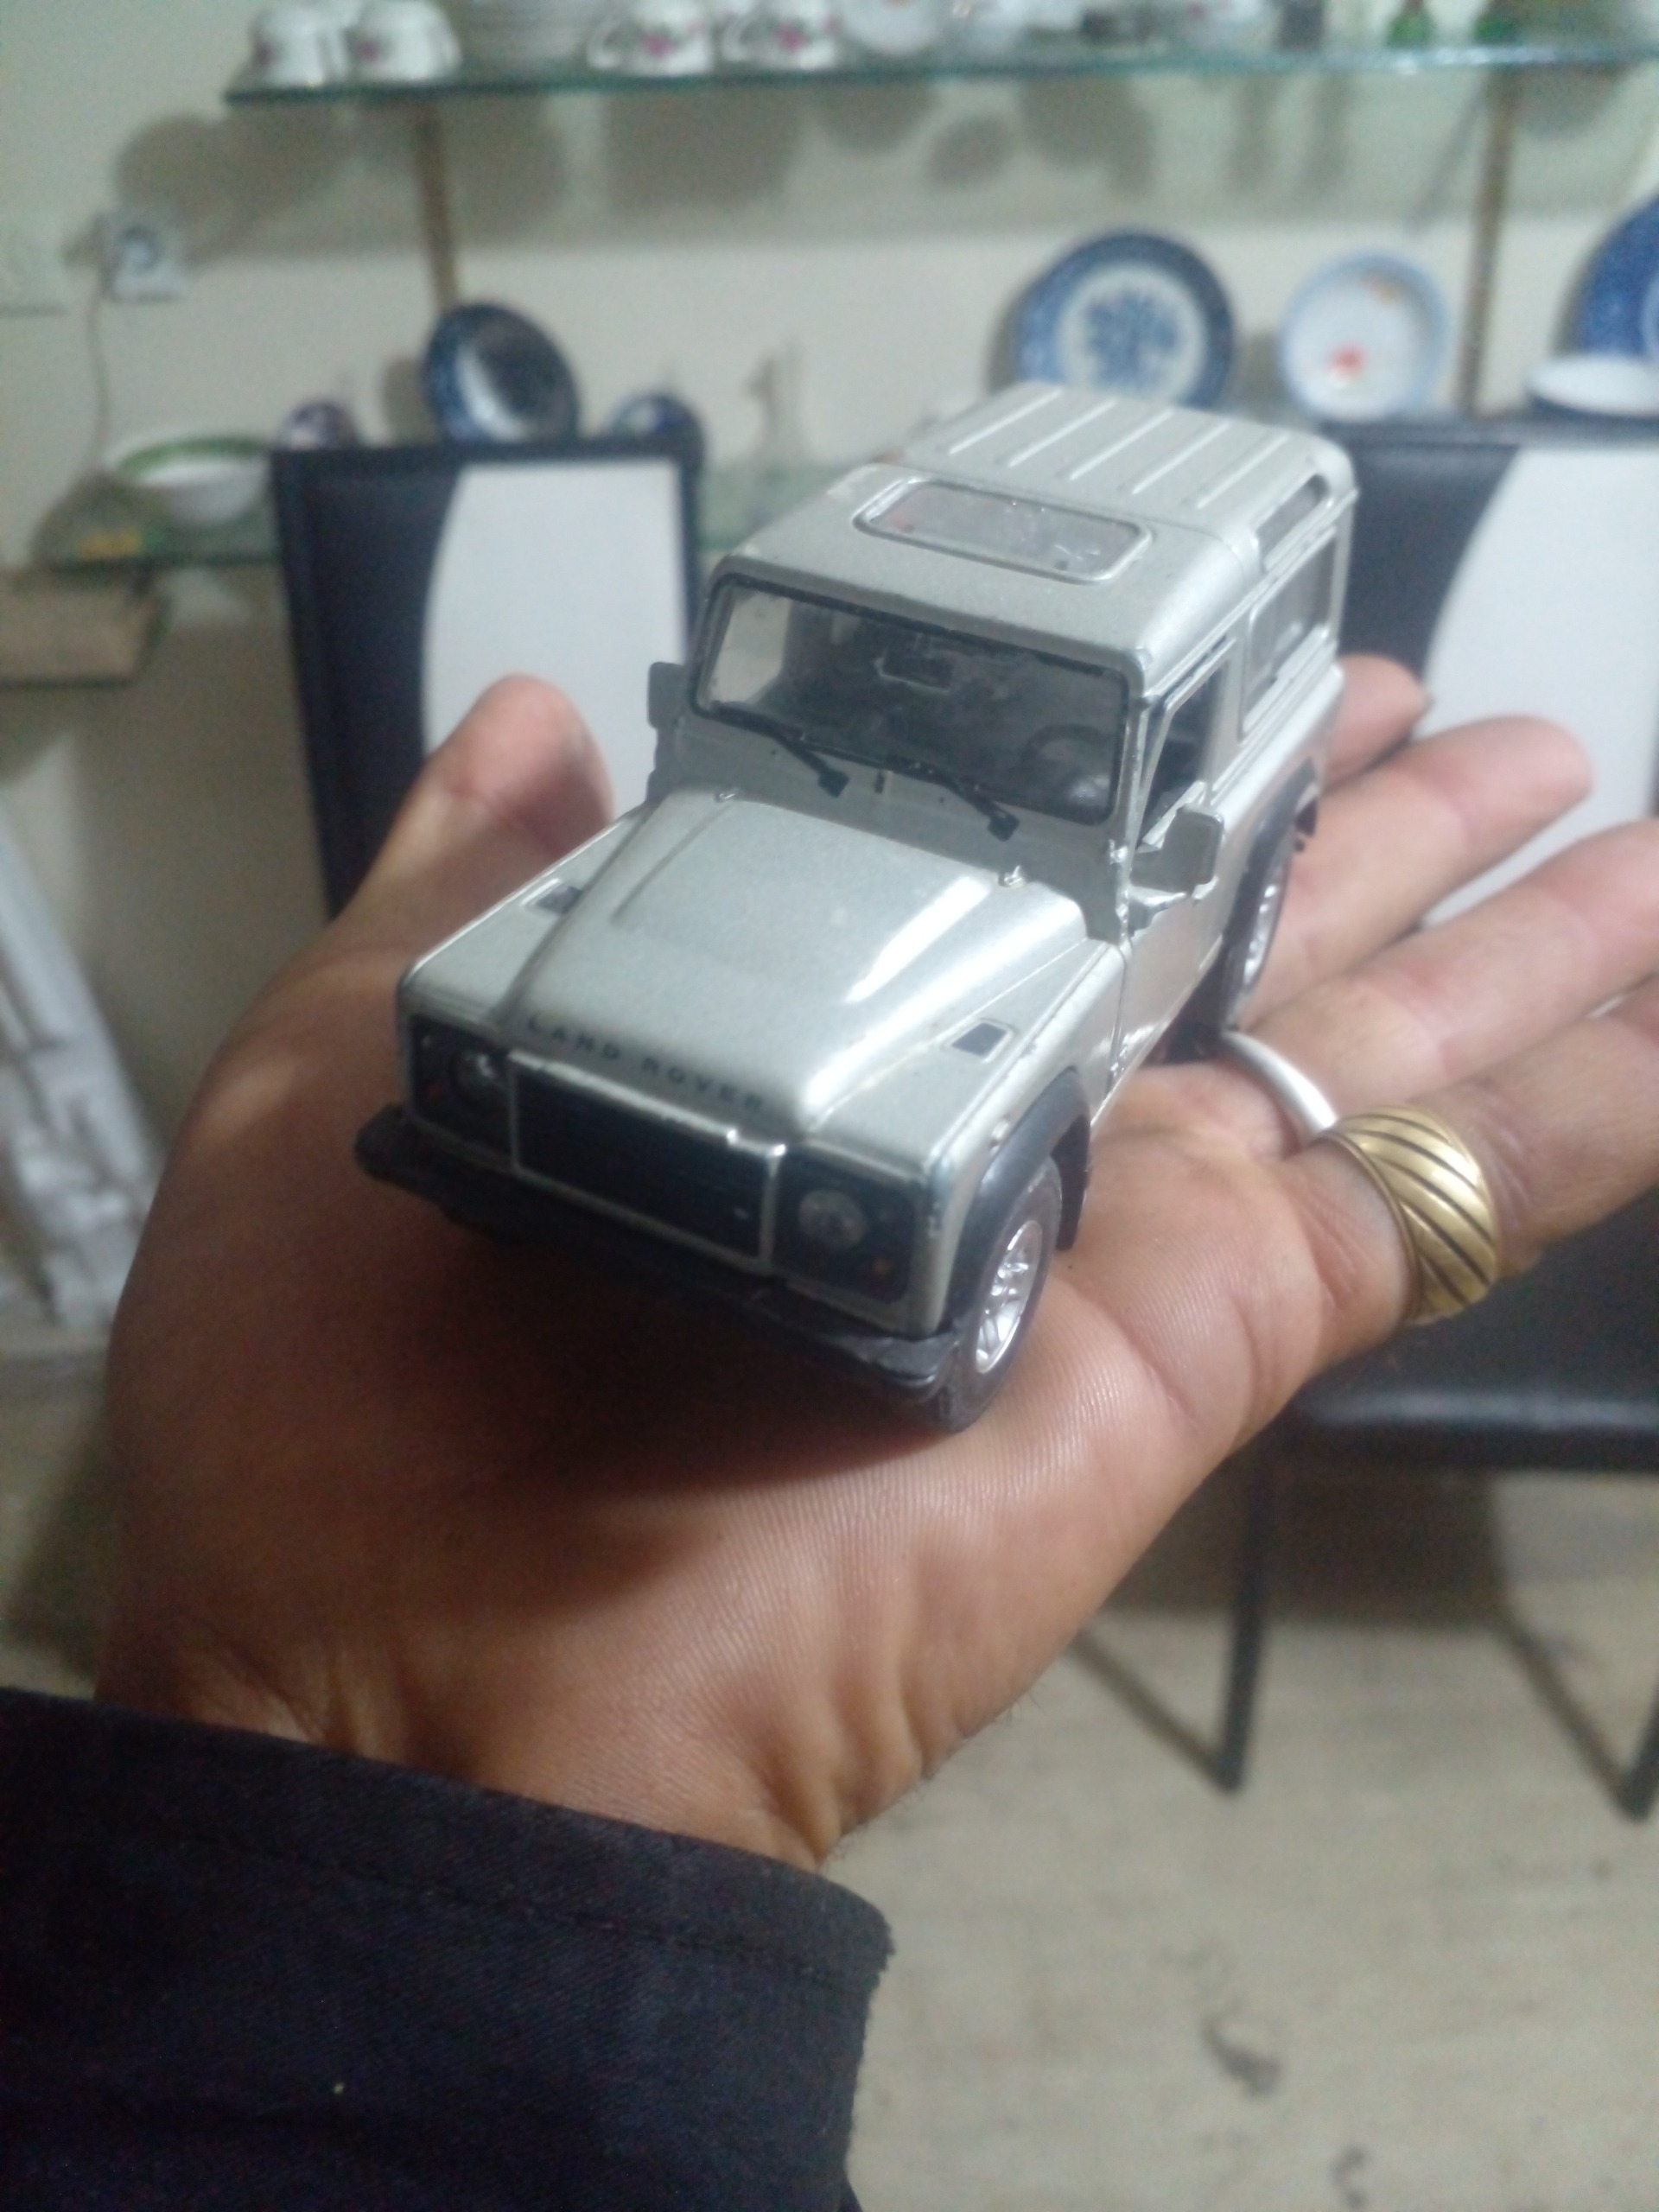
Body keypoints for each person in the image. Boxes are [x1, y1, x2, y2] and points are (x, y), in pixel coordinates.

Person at [2, 661, 1656, 2209]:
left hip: (1066, 887)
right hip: (713, 959)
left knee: (929, 1166)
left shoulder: (1163, 826)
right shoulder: (742, 763)